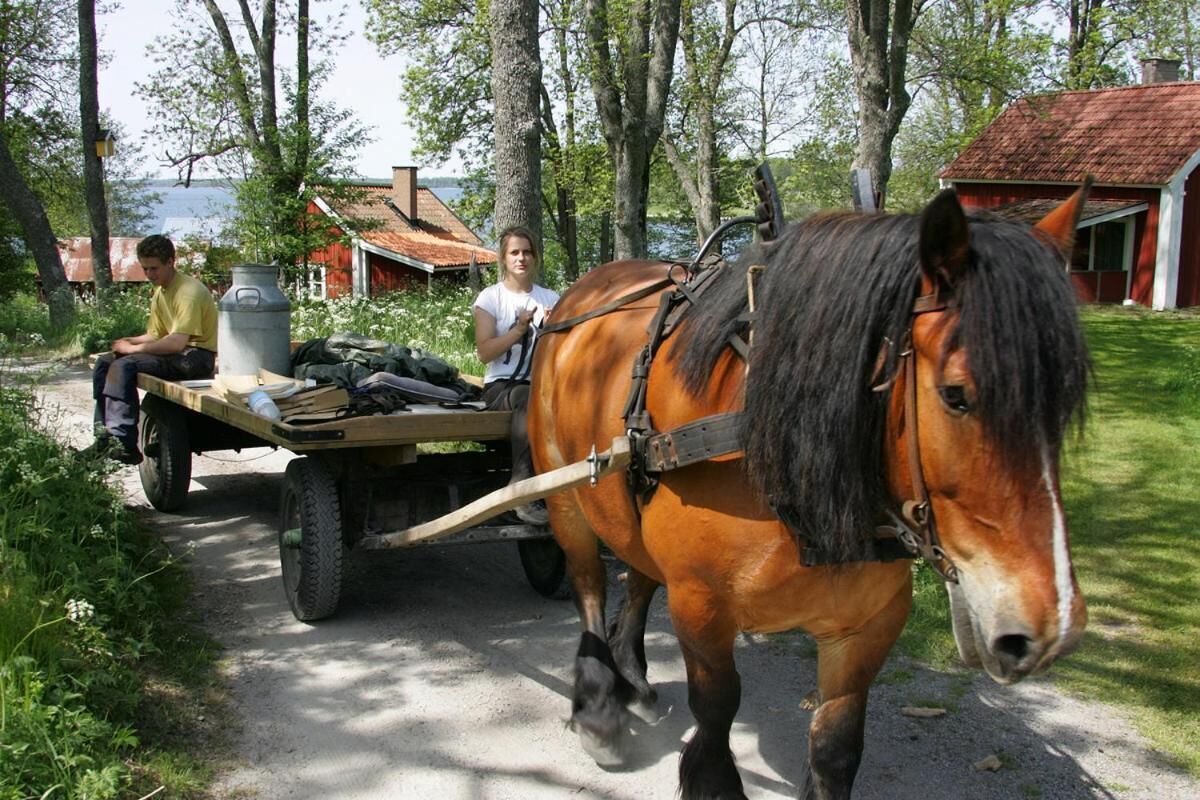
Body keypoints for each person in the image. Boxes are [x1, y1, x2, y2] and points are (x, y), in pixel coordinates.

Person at [87, 235, 217, 464]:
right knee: (105, 363)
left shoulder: (188, 291)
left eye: (154, 268)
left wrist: (130, 351)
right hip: (179, 352)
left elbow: (176, 342)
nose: (149, 275)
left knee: (124, 365)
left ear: (170, 262)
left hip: (196, 357)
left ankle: (124, 442)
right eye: (145, 268)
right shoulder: (160, 291)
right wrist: (128, 341)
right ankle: (103, 437)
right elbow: (156, 334)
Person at [473, 226, 560, 525]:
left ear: (535, 257)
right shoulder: (491, 297)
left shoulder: (551, 298)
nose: (521, 258)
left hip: (542, 385)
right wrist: (519, 330)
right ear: (503, 258)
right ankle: (520, 489)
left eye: (527, 252)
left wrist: (550, 331)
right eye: (514, 252)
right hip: (502, 387)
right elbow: (485, 353)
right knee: (529, 398)